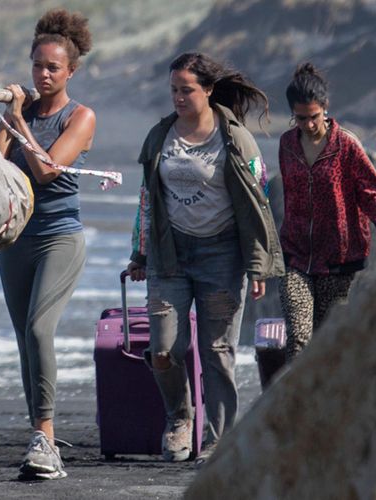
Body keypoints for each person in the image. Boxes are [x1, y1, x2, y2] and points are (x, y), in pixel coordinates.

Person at [126, 52, 283, 464]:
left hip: (222, 256)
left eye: (187, 90)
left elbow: (258, 201)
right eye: (174, 90)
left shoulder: (234, 139)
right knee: (163, 349)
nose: (178, 98)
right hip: (169, 254)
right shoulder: (160, 136)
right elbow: (147, 199)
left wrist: (259, 264)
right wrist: (140, 253)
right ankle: (180, 418)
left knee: (218, 352)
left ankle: (218, 440)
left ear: (209, 90)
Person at [0, 8, 96, 481]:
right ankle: (41, 437)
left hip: (59, 237)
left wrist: (18, 120)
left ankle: (47, 440)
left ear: (71, 71)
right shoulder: (23, 112)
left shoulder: (82, 116)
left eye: (53, 67)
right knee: (24, 341)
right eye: (38, 66)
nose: (44, 74)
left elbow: (48, 169)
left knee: (39, 329)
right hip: (16, 238)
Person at [277, 62, 376, 362]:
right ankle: (299, 406)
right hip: (295, 256)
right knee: (298, 339)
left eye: (314, 117)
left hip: (340, 260)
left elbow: (372, 194)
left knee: (327, 343)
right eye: (300, 118)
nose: (307, 124)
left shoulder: (346, 145)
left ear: (326, 108)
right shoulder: (286, 145)